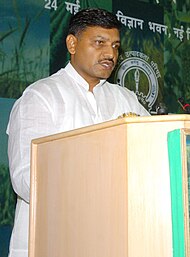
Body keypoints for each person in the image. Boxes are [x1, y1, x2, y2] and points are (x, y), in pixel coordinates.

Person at [6, 7, 150, 257]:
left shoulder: (126, 99)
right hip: (53, 243)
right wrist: (97, 176)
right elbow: (26, 180)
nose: (110, 54)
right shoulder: (40, 97)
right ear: (72, 44)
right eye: (99, 42)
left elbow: (154, 149)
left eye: (115, 46)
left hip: (114, 241)